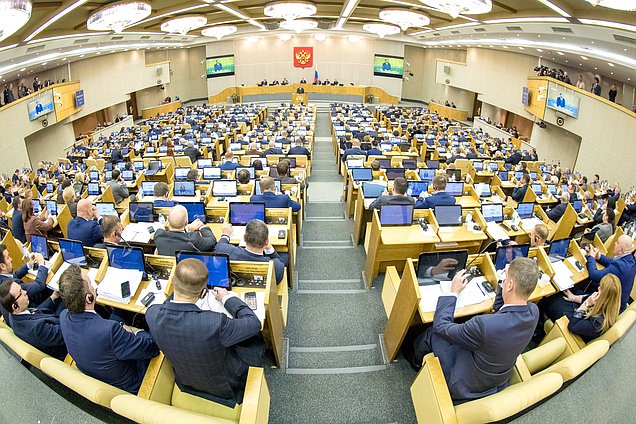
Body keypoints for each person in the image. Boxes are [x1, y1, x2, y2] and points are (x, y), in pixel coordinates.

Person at [407, 258, 539, 402]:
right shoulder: (533, 311)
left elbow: (441, 327)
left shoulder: (484, 324)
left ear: (511, 286)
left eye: (506, 277)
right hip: (496, 379)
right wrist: (502, 282)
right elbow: (500, 309)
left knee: (433, 332)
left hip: (465, 384)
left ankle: (415, 360)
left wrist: (453, 293)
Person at [146, 259, 263, 407]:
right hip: (225, 387)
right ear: (203, 290)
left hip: (186, 381)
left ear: (173, 281)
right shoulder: (214, 323)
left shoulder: (152, 313)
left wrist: (184, 290)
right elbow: (254, 323)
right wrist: (227, 298)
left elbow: (169, 305)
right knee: (255, 341)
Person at [58, 265, 159, 393]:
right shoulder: (108, 330)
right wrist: (137, 330)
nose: (94, 286)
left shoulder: (64, 316)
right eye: (90, 282)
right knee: (154, 326)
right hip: (131, 381)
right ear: (88, 297)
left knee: (116, 314)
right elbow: (151, 348)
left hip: (101, 369)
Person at [542, 274, 621, 343]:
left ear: (604, 297)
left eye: (601, 288)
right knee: (572, 290)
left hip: (574, 326)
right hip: (582, 316)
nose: (598, 287)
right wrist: (574, 298)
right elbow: (588, 298)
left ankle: (539, 329)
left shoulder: (598, 323)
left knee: (551, 299)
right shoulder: (609, 304)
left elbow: (572, 326)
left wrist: (586, 304)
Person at [0, 279, 66, 359]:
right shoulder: (35, 329)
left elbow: (36, 312)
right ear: (15, 306)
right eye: (21, 293)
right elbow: (65, 333)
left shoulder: (14, 315)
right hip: (65, 345)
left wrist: (53, 297)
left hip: (53, 323)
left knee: (60, 300)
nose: (25, 292)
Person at [215, 220, 286, 284]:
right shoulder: (276, 266)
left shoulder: (226, 251)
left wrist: (225, 235)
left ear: (244, 238)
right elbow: (280, 265)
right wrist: (269, 248)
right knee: (285, 256)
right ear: (266, 242)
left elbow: (219, 247)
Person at [585, 235, 636, 311]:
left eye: (617, 243)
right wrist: (598, 256)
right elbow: (613, 262)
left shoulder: (620, 267)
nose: (615, 243)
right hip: (619, 303)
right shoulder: (630, 259)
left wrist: (591, 257)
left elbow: (594, 275)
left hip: (610, 308)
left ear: (621, 249)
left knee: (590, 284)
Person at [0, 248, 50, 323]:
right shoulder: (10, 288)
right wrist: (42, 264)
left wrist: (29, 265)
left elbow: (14, 275)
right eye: (8, 257)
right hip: (34, 315)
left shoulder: (3, 278)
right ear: (2, 266)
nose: (11, 259)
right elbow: (39, 285)